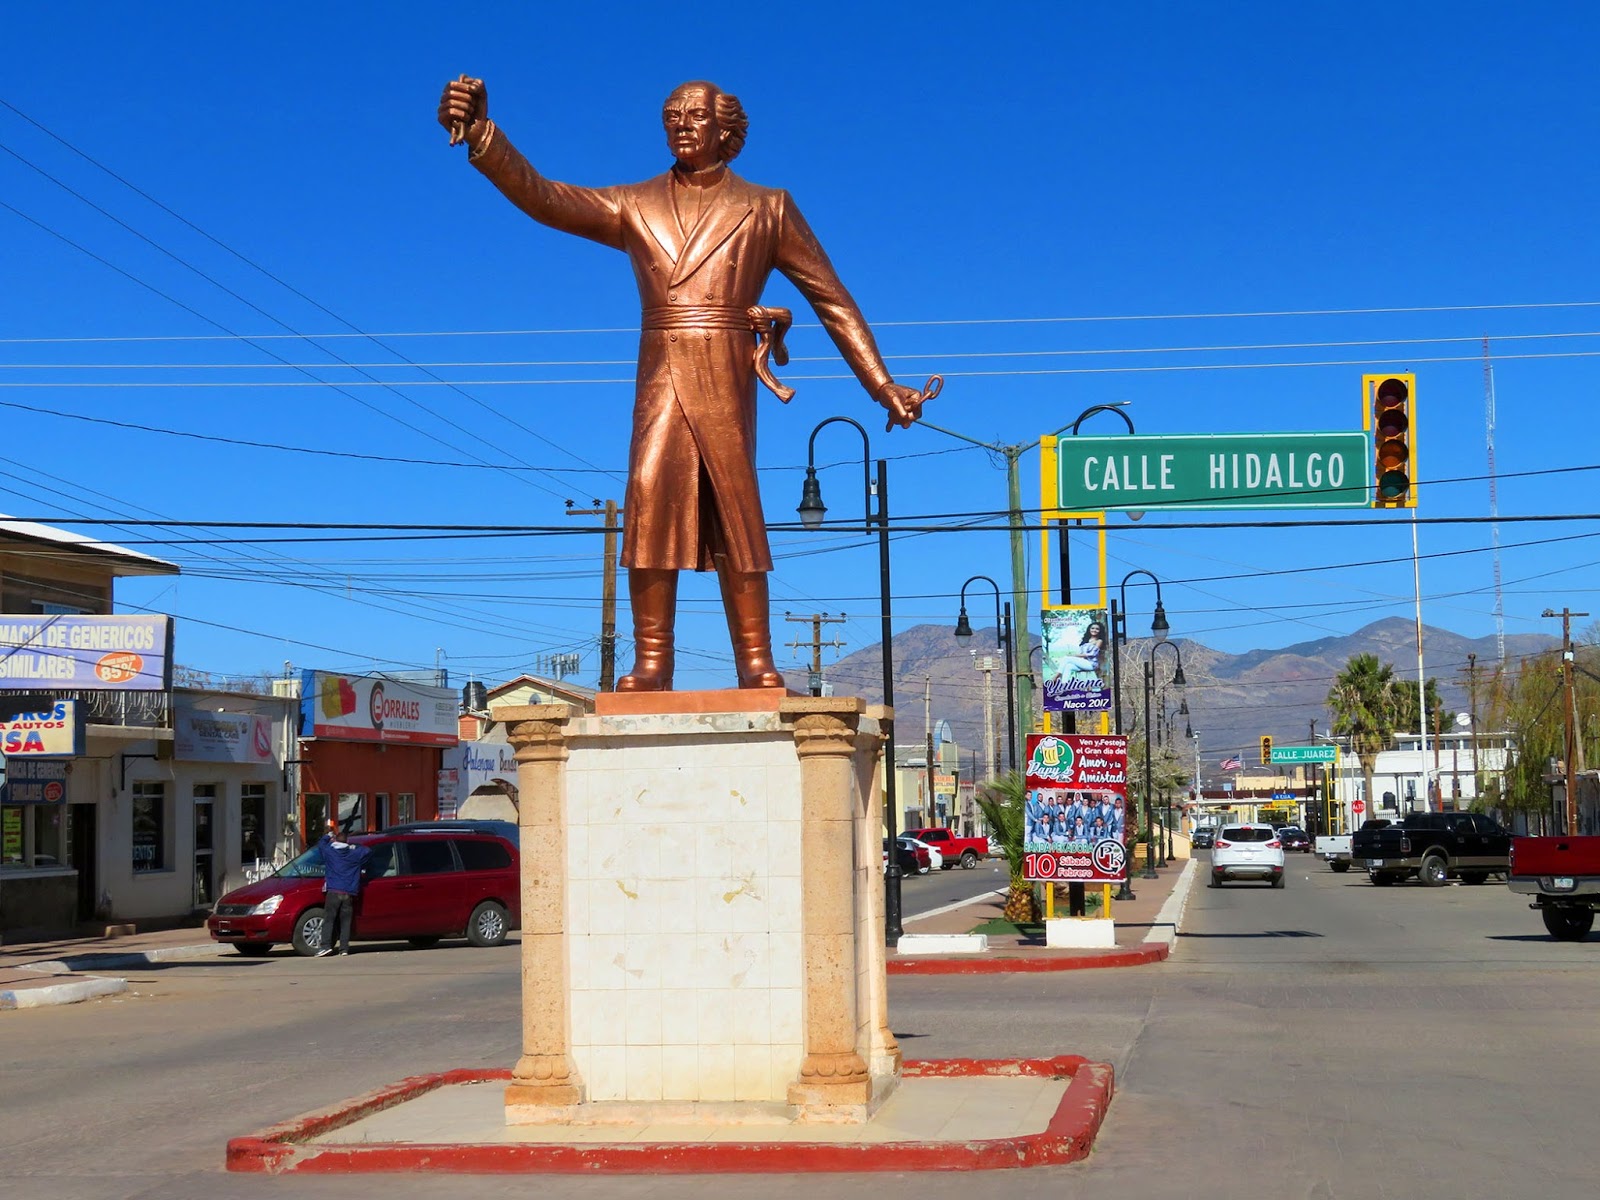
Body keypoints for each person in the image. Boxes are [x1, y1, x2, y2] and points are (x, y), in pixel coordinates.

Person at [439, 77, 931, 691]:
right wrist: (484, 136)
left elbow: (831, 298)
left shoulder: (768, 206)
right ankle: (652, 660)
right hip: (662, 369)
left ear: (727, 129)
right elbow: (546, 198)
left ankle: (755, 659)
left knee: (735, 508)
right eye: (671, 114)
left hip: (725, 372)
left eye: (695, 115)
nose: (681, 124)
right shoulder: (635, 202)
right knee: (649, 499)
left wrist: (882, 385)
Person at [316, 820, 371, 957]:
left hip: (334, 891)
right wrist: (354, 845)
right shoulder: (354, 854)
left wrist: (328, 835)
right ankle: (344, 949)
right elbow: (367, 851)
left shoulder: (330, 852)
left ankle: (326, 946)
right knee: (346, 922)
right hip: (348, 892)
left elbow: (321, 845)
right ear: (347, 842)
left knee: (329, 919)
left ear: (335, 841)